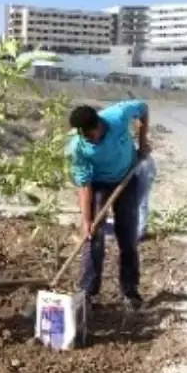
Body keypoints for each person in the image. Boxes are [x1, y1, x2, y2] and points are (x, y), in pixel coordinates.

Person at [66, 99, 150, 310]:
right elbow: (84, 184)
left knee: (127, 235)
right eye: (82, 135)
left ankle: (130, 291)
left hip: (127, 179)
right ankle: (88, 292)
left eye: (89, 135)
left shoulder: (118, 116)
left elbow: (143, 108)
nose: (87, 140)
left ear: (98, 125)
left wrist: (142, 141)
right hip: (99, 185)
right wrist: (87, 220)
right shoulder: (78, 147)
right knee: (93, 236)